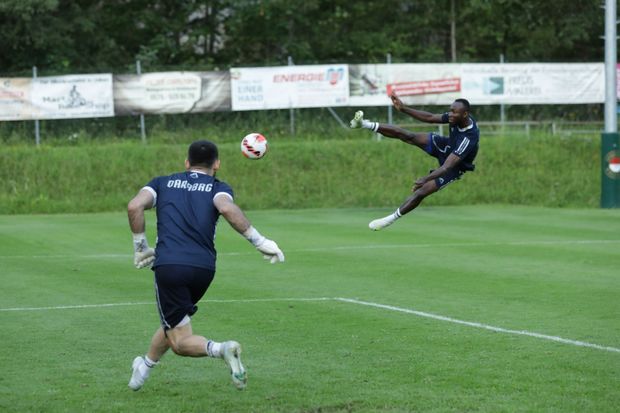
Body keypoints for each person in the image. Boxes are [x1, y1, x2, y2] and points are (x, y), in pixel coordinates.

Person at [127, 140, 285, 391]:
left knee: (180, 341)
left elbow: (135, 205)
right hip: (204, 269)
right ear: (217, 164)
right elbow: (227, 208)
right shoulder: (218, 187)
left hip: (170, 266)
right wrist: (260, 241)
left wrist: (140, 247)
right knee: (175, 321)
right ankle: (143, 369)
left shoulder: (162, 182)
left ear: (186, 163)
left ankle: (222, 349)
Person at [349, 92, 480, 231]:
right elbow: (429, 118)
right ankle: (364, 124)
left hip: (455, 165)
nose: (450, 115)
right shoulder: (456, 117)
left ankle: (390, 219)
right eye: (450, 111)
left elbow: (447, 167)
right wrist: (403, 109)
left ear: (465, 114)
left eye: (454, 112)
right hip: (447, 146)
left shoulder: (469, 137)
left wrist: (425, 178)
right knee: (408, 136)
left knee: (421, 192)